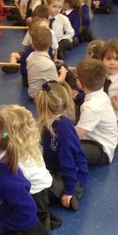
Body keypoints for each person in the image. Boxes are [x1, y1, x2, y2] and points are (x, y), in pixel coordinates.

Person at [0, 104, 56, 229]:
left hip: (35, 196)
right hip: (44, 186)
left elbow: (18, 184)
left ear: (8, 132)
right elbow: (4, 136)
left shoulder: (18, 160)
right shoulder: (30, 144)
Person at [35, 81, 89, 213]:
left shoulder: (64, 129)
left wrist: (69, 191)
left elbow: (68, 162)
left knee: (39, 189)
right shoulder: (46, 122)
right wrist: (6, 135)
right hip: (54, 169)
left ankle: (73, 193)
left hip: (71, 175)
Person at [74, 58, 118, 165]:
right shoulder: (101, 94)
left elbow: (76, 136)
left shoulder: (91, 107)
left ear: (80, 84)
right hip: (95, 138)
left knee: (67, 149)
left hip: (101, 149)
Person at [26, 24, 68, 100]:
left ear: (32, 44)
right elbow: (56, 83)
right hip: (41, 96)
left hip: (32, 92)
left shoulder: (30, 56)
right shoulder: (49, 64)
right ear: (51, 44)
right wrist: (63, 73)